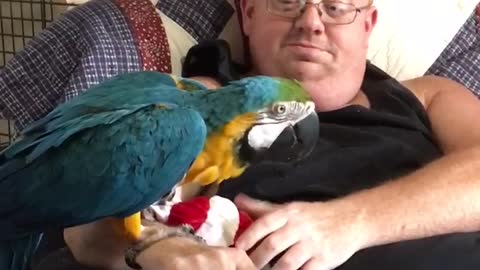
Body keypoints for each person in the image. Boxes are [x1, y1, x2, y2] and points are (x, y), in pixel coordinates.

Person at [62, 0, 480, 270]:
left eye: (336, 7)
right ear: (247, 14)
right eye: (287, 2)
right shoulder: (201, 103)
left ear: (367, 25)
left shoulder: (429, 95)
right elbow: (86, 220)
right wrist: (154, 251)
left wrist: (348, 223)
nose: (312, 22)